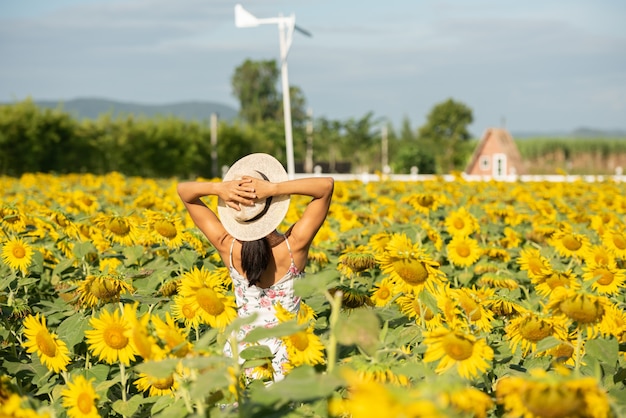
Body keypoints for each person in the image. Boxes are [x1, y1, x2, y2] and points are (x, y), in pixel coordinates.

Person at [177, 153, 334, 382]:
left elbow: (185, 192)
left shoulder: (227, 247)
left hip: (241, 358)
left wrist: (220, 189)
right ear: (274, 207)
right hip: (285, 359)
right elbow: (326, 186)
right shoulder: (294, 247)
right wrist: (273, 188)